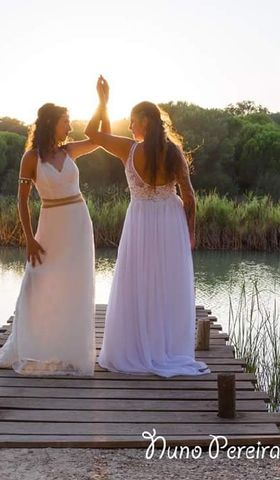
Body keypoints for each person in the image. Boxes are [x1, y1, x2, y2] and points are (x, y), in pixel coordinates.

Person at [85, 76, 209, 377]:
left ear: (144, 122)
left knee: (138, 282)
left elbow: (91, 133)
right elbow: (189, 196)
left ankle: (138, 348)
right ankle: (164, 347)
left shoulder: (128, 149)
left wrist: (102, 103)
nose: (129, 127)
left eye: (132, 122)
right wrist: (190, 232)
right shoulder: (175, 153)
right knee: (166, 284)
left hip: (140, 220)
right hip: (171, 222)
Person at [0, 96, 109, 376]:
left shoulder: (69, 151)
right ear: (50, 123)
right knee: (38, 281)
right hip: (50, 224)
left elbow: (98, 139)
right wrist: (29, 238)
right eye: (65, 121)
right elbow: (22, 201)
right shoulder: (30, 158)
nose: (69, 126)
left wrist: (103, 104)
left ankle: (71, 351)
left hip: (78, 223)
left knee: (75, 283)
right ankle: (36, 343)